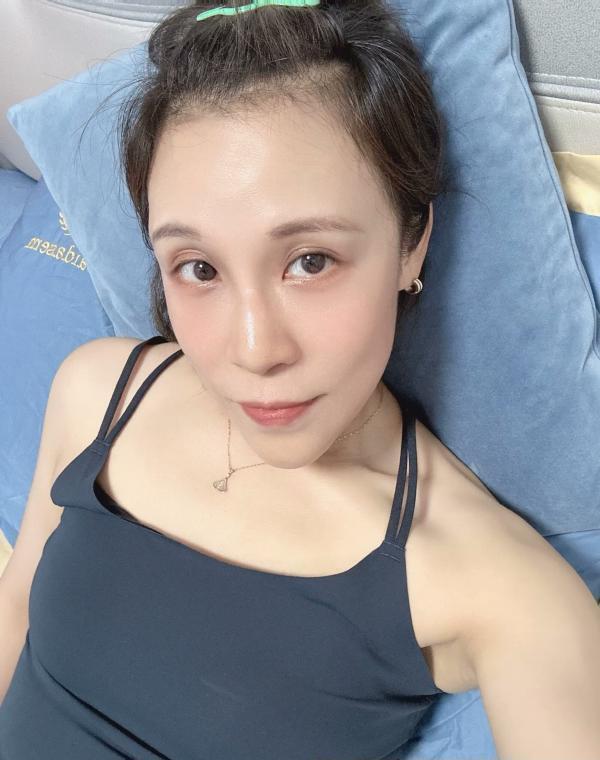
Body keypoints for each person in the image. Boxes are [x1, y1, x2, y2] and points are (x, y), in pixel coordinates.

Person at [1, 2, 599, 758]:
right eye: (199, 269)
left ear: (412, 243)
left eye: (310, 261)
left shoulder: (497, 589)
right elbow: (16, 611)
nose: (255, 351)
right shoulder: (99, 392)